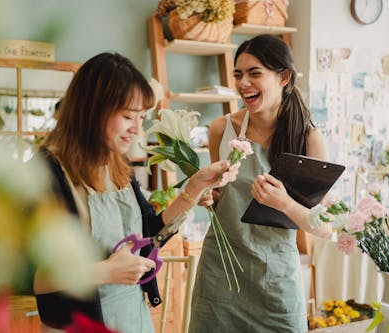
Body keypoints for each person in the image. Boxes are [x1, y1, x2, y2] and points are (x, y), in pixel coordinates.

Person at [33, 52, 237, 332]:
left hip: (132, 320)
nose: (137, 128)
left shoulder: (118, 165)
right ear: (93, 110)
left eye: (142, 116)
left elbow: (149, 235)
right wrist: (105, 271)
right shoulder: (48, 172)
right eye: (128, 116)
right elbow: (28, 276)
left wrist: (195, 186)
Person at [189, 34, 332, 333]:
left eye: (255, 73)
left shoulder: (307, 139)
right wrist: (206, 196)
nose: (243, 83)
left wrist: (284, 203)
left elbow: (325, 227)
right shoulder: (221, 129)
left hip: (276, 282)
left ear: (284, 77)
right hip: (221, 277)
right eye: (238, 74)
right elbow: (219, 197)